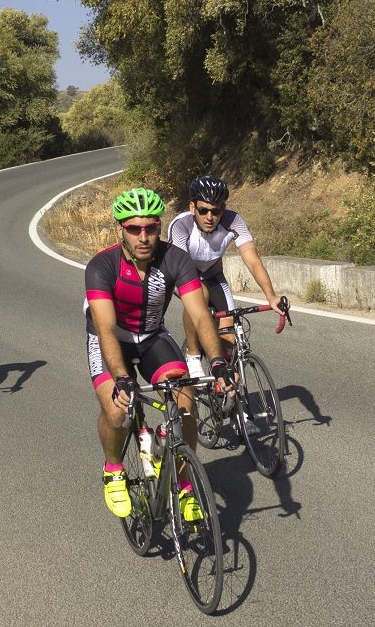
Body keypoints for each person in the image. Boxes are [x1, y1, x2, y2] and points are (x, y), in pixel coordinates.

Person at [86, 187, 229, 520]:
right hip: (111, 340)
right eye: (134, 228)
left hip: (151, 335)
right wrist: (121, 378)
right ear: (121, 229)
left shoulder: (175, 259)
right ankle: (114, 469)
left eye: (151, 227)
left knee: (186, 399)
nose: (144, 236)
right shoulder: (101, 266)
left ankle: (184, 486)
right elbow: (105, 329)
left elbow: (198, 313)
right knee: (117, 410)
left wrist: (218, 361)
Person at [167, 175, 284, 378]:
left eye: (216, 210)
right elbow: (179, 269)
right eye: (203, 210)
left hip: (213, 275)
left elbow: (253, 260)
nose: (210, 217)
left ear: (223, 209)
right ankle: (193, 355)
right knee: (198, 296)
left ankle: (227, 389)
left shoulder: (233, 220)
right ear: (193, 208)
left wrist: (271, 296)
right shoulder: (181, 225)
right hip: (185, 276)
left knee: (229, 331)